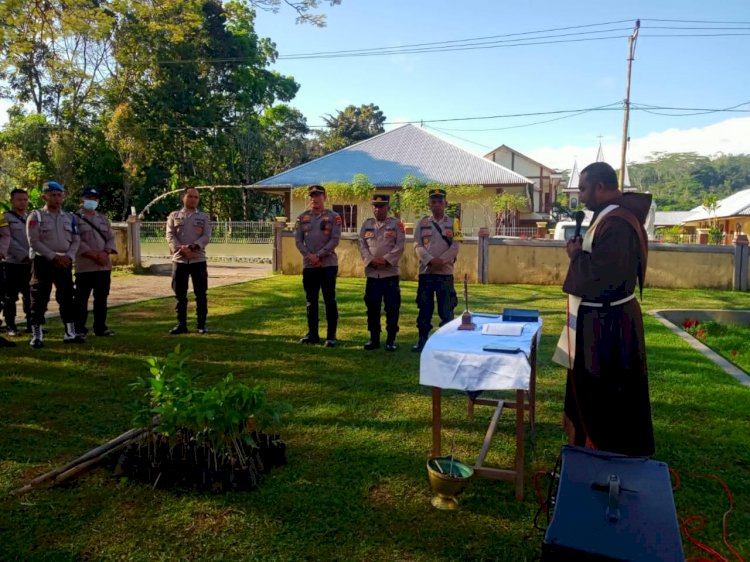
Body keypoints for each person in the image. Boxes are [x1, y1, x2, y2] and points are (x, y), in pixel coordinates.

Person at [553, 161, 655, 457]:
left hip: (608, 325)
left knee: (607, 390)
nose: (580, 196)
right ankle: (585, 442)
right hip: (596, 318)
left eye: (584, 189)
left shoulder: (617, 222)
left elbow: (604, 277)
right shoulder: (605, 217)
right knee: (589, 386)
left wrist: (575, 256)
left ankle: (604, 448)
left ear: (600, 187)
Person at [26, 180, 85, 348]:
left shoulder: (70, 217)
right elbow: (34, 241)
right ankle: (37, 334)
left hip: (65, 261)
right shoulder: (36, 216)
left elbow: (76, 239)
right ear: (45, 196)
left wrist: (69, 256)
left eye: (59, 195)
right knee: (39, 297)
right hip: (43, 261)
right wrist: (53, 256)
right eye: (53, 195)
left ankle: (70, 332)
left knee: (67, 297)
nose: (57, 199)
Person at [412, 188, 461, 352]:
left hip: (445, 273)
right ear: (429, 204)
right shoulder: (422, 223)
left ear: (446, 204)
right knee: (424, 308)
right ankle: (422, 340)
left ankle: (446, 342)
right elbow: (417, 245)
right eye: (433, 202)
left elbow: (456, 246)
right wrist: (430, 260)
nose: (437, 204)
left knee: (446, 310)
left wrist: (441, 260)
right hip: (426, 273)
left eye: (440, 201)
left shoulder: (454, 223)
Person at [294, 184, 341, 347]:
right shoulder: (302, 218)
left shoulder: (333, 217)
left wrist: (319, 255)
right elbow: (298, 241)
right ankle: (312, 334)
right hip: (309, 266)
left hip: (328, 265)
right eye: (312, 196)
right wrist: (309, 256)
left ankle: (331, 336)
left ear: (325, 197)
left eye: (318, 195)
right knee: (311, 301)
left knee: (329, 299)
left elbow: (335, 239)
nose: (315, 199)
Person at [357, 194, 405, 351]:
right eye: (375, 206)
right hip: (372, 274)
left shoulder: (396, 225)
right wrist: (371, 259)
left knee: (392, 308)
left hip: (389, 274)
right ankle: (374, 339)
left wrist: (385, 260)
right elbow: (362, 244)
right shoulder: (367, 224)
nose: (378, 209)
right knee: (372, 309)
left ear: (388, 207)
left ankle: (391, 340)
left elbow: (400, 245)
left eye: (381, 206)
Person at [166, 187, 212, 334]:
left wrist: (192, 248)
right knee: (180, 294)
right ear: (183, 198)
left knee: (201, 293)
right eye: (190, 196)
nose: (193, 199)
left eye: (196, 197)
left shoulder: (204, 217)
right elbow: (170, 235)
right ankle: (181, 324)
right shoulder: (174, 216)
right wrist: (181, 249)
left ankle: (201, 324)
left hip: (197, 260)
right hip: (179, 260)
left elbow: (206, 236)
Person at [74, 187, 118, 337]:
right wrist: (93, 254)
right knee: (81, 299)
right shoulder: (74, 218)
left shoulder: (103, 219)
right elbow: (75, 240)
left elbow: (111, 238)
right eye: (89, 198)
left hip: (103, 266)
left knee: (101, 299)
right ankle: (79, 329)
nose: (92, 201)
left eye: (94, 198)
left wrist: (105, 252)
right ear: (82, 199)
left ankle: (100, 327)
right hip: (85, 266)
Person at [1, 189, 32, 338]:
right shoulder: (5, 218)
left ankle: (31, 324)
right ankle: (10, 326)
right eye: (19, 199)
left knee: (30, 295)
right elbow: (8, 240)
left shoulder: (30, 217)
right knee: (10, 297)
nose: (23, 202)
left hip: (30, 264)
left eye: (25, 199)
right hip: (12, 263)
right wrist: (24, 255)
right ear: (12, 201)